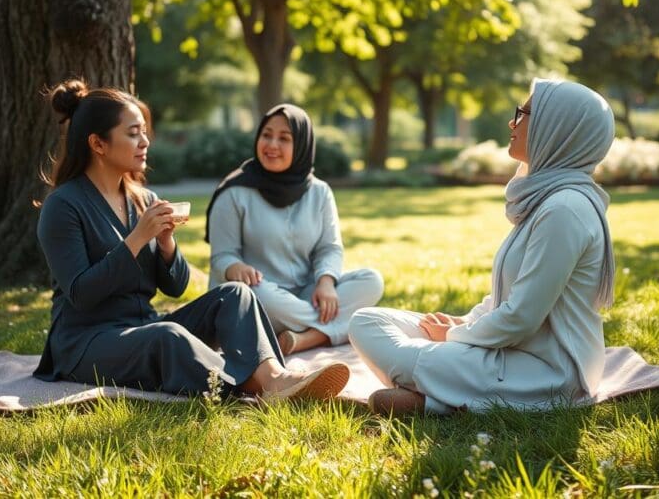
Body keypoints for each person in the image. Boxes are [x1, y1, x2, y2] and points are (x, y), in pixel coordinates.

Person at [34, 80, 349, 401]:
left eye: (144, 132)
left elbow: (176, 287)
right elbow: (81, 294)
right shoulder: (64, 205)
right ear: (98, 144)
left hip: (141, 326)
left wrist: (166, 244)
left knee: (235, 294)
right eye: (133, 133)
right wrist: (137, 238)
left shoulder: (142, 199)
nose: (145, 141)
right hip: (86, 341)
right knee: (167, 337)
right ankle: (248, 386)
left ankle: (275, 378)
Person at [349, 78, 616, 415]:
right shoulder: (549, 200)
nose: (512, 122)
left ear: (557, 127)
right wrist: (463, 324)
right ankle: (437, 398)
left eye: (524, 113)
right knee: (368, 321)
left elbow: (520, 318)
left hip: (546, 374)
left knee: (404, 350)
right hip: (508, 352)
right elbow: (508, 296)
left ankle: (432, 401)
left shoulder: (564, 210)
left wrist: (451, 338)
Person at [205, 104, 384, 355]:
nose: (272, 145)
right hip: (260, 296)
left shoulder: (319, 192)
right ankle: (333, 329)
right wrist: (235, 267)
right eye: (266, 135)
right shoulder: (234, 192)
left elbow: (329, 247)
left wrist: (325, 282)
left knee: (371, 281)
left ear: (301, 145)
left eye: (284, 138)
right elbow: (221, 256)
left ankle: (304, 338)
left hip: (306, 293)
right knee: (254, 297)